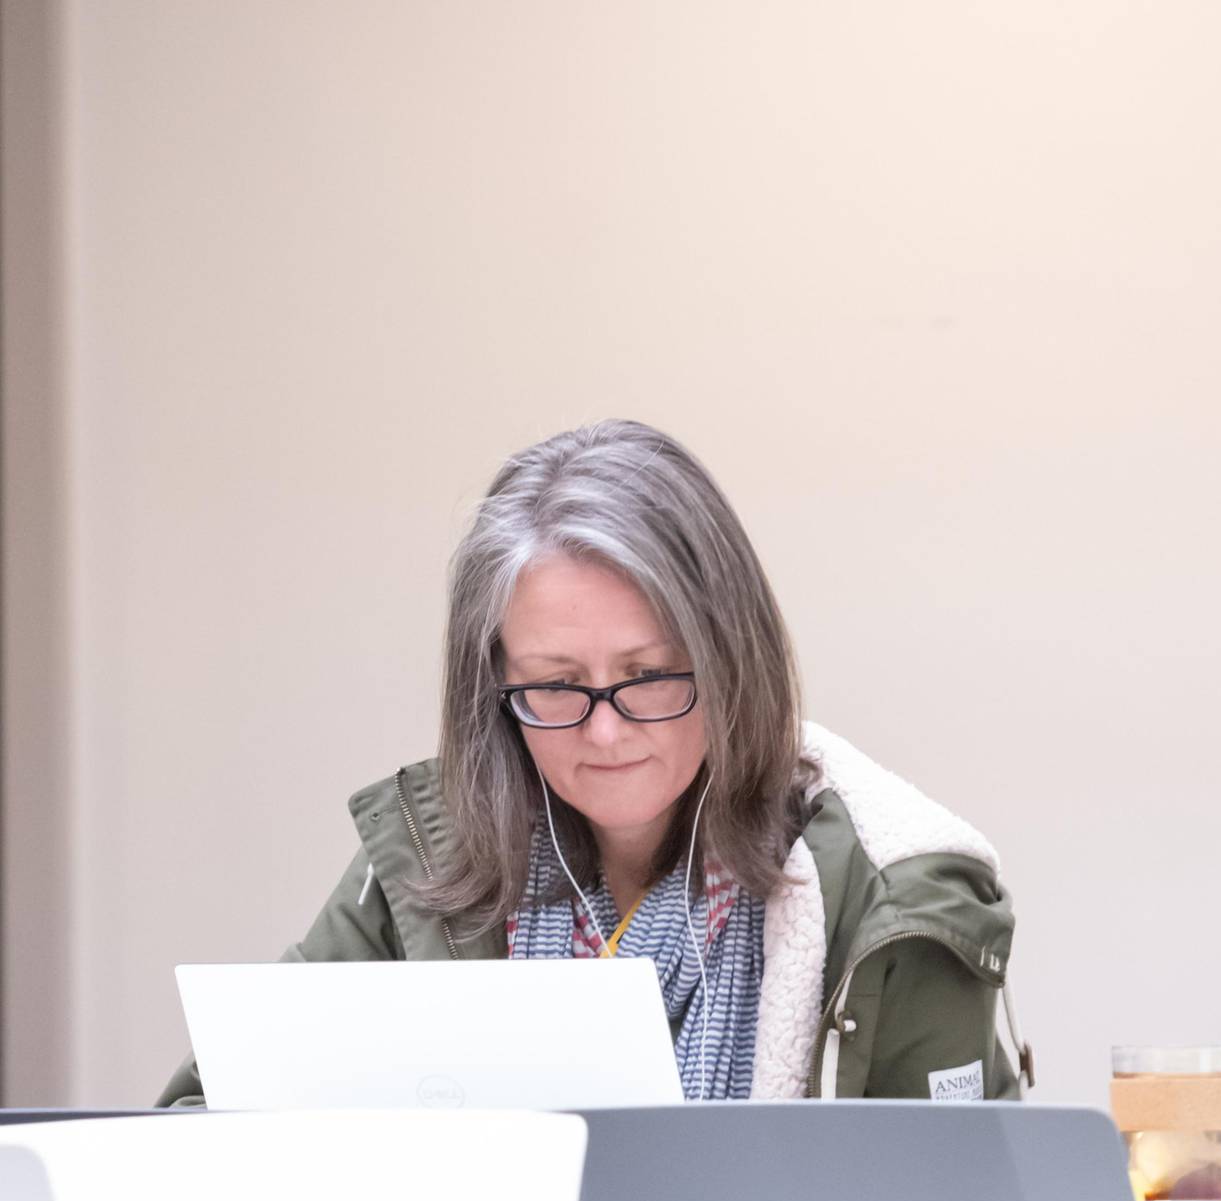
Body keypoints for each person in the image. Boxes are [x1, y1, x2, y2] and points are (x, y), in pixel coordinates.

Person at [158, 417, 1029, 1111]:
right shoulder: (436, 859)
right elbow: (207, 1122)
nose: (606, 734)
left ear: (731, 659)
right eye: (555, 685)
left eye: (648, 677)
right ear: (493, 684)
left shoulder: (894, 895)